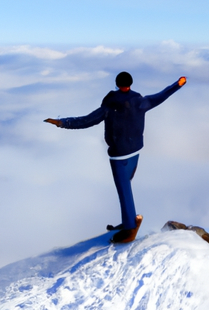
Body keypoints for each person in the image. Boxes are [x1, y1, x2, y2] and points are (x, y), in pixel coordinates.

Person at [44, 72, 187, 243]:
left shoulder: (109, 106)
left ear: (117, 83)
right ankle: (129, 218)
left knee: (123, 190)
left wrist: (62, 123)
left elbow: (86, 121)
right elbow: (162, 95)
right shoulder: (140, 102)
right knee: (126, 187)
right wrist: (178, 84)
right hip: (135, 151)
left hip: (119, 154)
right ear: (130, 83)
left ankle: (130, 228)